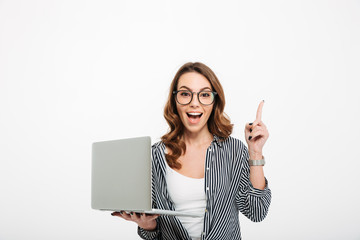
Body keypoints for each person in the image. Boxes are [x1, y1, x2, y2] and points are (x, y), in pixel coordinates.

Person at [112, 62, 271, 239]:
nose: (194, 103)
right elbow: (154, 235)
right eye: (185, 94)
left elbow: (257, 212)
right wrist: (148, 226)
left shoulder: (234, 150)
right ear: (174, 101)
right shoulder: (154, 156)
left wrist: (255, 152)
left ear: (214, 101)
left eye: (204, 95)